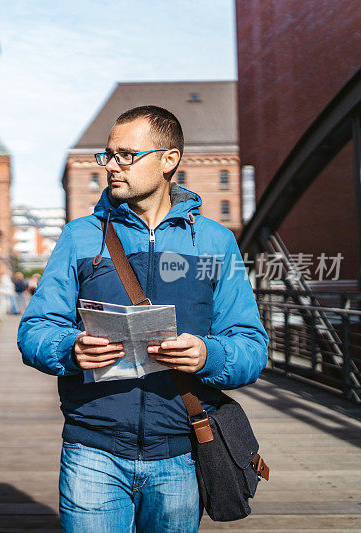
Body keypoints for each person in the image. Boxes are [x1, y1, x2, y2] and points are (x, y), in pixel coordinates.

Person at [17, 105, 268, 532]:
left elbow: (251, 345)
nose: (112, 167)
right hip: (92, 450)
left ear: (169, 160)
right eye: (108, 155)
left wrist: (209, 353)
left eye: (126, 156)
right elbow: (35, 330)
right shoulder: (81, 236)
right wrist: (70, 348)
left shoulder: (214, 241)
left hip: (182, 451)